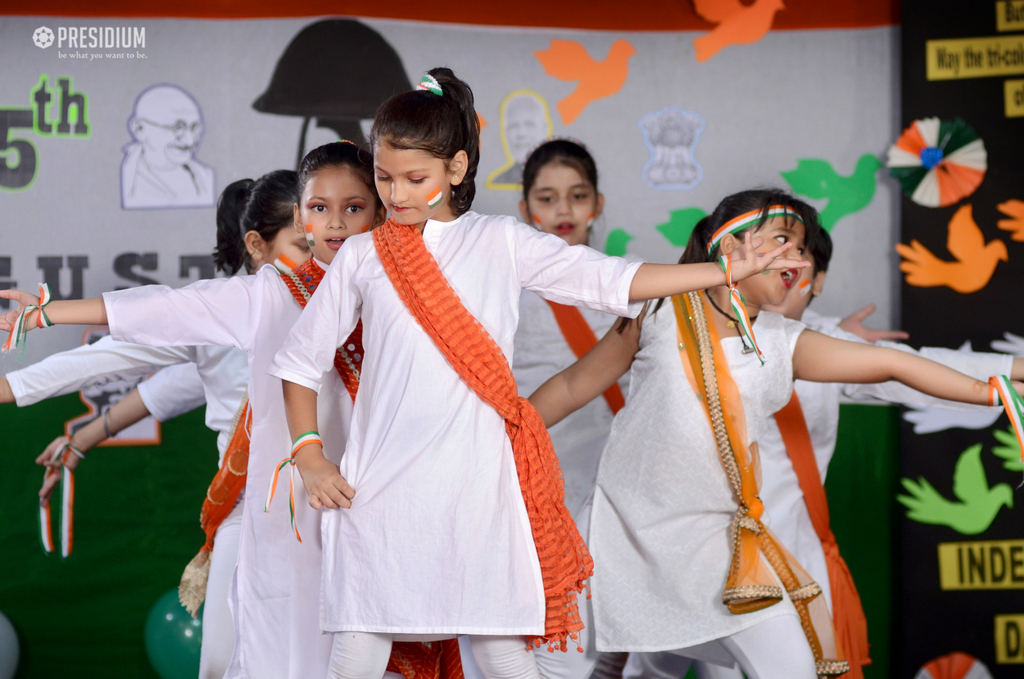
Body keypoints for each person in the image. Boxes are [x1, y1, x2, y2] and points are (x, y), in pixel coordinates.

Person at [265, 68, 805, 679]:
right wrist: (309, 455)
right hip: (382, 488)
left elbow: (611, 281)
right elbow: (299, 361)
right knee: (359, 646)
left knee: (499, 651)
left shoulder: (500, 241)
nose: (396, 195)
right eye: (385, 178)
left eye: (415, 178)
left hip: (479, 487)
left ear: (458, 168)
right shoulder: (364, 256)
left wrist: (718, 273)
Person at [526, 189, 1024, 679]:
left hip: (719, 550)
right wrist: (497, 436)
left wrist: (989, 392)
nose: (800, 257)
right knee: (559, 668)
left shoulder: (786, 342)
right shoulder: (658, 310)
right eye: (785, 240)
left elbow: (891, 363)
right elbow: (573, 385)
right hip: (619, 534)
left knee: (793, 669)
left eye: (804, 248)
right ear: (729, 248)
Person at [0, 143, 385, 679]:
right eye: (316, 218)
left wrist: (87, 434)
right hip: (266, 504)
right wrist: (31, 350)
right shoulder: (260, 300)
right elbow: (143, 332)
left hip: (362, 502)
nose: (335, 229)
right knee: (240, 658)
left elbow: (171, 389)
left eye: (354, 208)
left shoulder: (380, 296)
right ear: (270, 238)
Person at [121, 84, 215, 209]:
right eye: (178, 128)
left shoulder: (205, 177)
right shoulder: (127, 176)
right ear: (140, 129)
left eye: (194, 128)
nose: (190, 140)